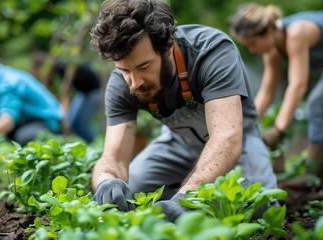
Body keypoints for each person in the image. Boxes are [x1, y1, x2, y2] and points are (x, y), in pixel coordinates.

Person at [89, 0, 277, 222]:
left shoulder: (212, 52)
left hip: (239, 142)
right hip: (178, 143)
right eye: (124, 70)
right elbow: (115, 156)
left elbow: (227, 138)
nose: (134, 83)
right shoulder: (122, 82)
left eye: (144, 67)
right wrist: (106, 180)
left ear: (168, 46)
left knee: (253, 205)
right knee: (134, 189)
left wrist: (187, 198)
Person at [229, 3, 323, 190]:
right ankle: (313, 179)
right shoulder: (272, 47)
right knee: (319, 103)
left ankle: (312, 178)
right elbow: (267, 90)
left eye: (252, 44)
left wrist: (278, 129)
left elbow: (297, 86)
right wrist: (248, 123)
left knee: (317, 103)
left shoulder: (297, 33)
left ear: (266, 31)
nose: (252, 50)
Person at [30, 51, 102, 143]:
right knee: (73, 123)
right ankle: (86, 144)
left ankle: (94, 143)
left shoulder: (61, 67)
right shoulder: (58, 68)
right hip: (82, 92)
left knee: (81, 123)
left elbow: (65, 96)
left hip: (94, 90)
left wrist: (64, 118)